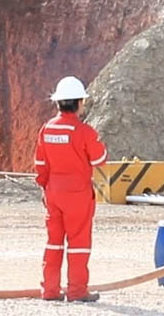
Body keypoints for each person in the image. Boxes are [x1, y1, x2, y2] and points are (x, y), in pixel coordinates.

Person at [33, 76, 107, 302]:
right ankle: (76, 292)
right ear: (79, 103)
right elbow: (100, 159)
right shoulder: (84, 131)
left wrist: (45, 189)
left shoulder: (46, 129)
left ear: (58, 103)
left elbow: (40, 165)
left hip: (53, 192)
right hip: (77, 195)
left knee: (53, 242)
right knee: (78, 244)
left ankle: (50, 290)